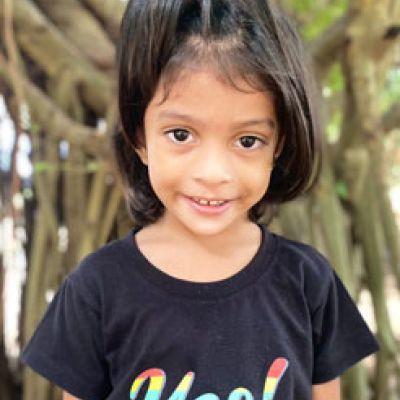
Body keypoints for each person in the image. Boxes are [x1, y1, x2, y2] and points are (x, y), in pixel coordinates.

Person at [21, 1, 379, 399]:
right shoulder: (95, 290)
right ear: (139, 137)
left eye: (248, 141)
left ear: (279, 144)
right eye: (180, 135)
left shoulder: (309, 283)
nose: (212, 173)